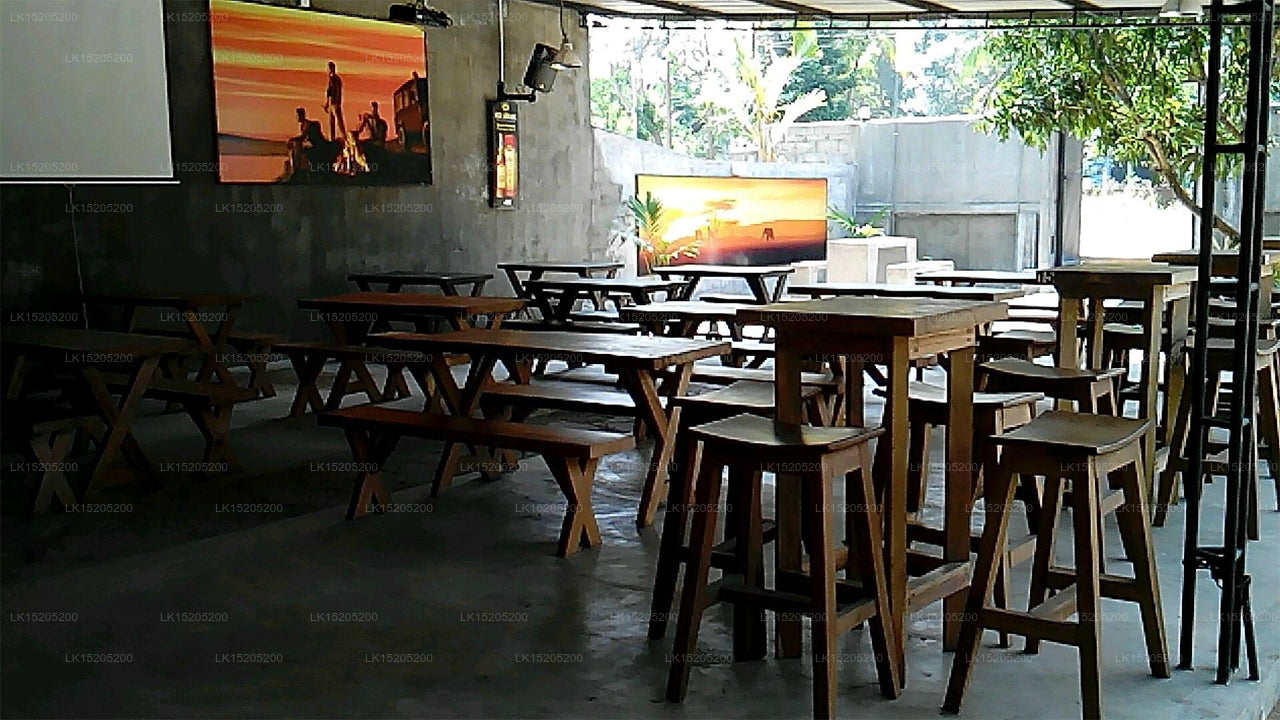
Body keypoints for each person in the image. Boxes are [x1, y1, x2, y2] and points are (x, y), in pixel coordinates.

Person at [322, 61, 346, 141]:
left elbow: (331, 92)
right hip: (334, 103)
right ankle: (333, 139)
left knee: (338, 122)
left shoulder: (333, 79)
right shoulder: (335, 79)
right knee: (333, 123)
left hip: (334, 104)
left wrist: (328, 103)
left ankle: (344, 138)